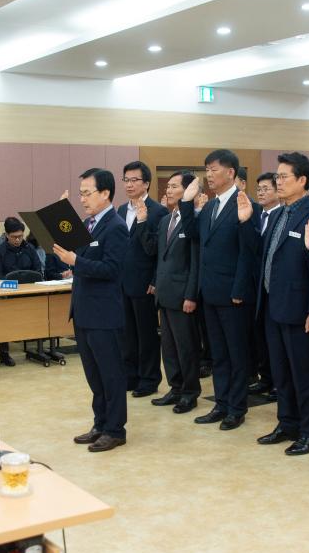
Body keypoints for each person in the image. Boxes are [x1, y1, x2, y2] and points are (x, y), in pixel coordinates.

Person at [251, 152, 309, 456]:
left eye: (284, 176)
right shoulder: (278, 214)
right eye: (277, 176)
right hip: (274, 306)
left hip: (302, 311)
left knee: (305, 374)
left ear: (302, 180)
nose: (278, 181)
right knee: (281, 372)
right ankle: (287, 423)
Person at [178, 149, 259, 431]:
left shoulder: (246, 204)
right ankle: (221, 403)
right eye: (207, 170)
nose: (209, 175)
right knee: (219, 355)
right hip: (210, 291)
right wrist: (186, 202)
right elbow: (193, 235)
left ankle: (237, 408)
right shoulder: (211, 206)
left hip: (233, 294)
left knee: (236, 354)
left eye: (214, 169)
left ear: (231, 172)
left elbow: (248, 253)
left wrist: (239, 289)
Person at [54, 168, 130, 452]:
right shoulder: (88, 224)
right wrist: (60, 216)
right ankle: (100, 424)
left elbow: (112, 269)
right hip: (84, 311)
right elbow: (70, 252)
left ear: (105, 193)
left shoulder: (115, 226)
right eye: (81, 194)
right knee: (94, 375)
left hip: (104, 314)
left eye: (87, 193)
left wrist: (77, 261)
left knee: (111, 375)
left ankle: (115, 430)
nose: (83, 199)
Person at [141, 171, 202, 414]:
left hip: (183, 295)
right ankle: (175, 388)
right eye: (168, 186)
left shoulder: (193, 220)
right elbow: (157, 254)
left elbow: (195, 262)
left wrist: (191, 295)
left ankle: (190, 392)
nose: (168, 190)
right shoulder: (166, 220)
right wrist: (155, 281)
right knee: (168, 347)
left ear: (188, 191)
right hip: (164, 293)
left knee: (186, 347)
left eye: (174, 186)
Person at [116, 161, 168, 397]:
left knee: (146, 334)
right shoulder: (120, 210)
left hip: (145, 283)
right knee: (127, 334)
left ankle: (149, 379)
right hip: (123, 282)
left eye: (134, 180)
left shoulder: (158, 211)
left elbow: (159, 251)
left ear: (146, 183)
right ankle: (131, 376)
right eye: (126, 180)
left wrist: (155, 280)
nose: (129, 184)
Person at [247, 172, 280, 399]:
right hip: (255, 286)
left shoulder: (281, 216)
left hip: (274, 287)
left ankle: (278, 381)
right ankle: (265, 377)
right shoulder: (255, 215)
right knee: (260, 336)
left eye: (266, 188)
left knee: (274, 339)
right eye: (258, 189)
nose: (260, 193)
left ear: (278, 191)